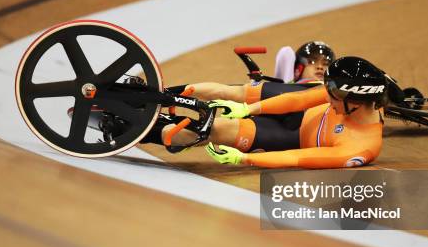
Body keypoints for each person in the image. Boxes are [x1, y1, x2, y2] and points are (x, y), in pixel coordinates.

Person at [160, 56, 389, 169]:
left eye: (332, 93)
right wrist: (247, 108)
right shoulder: (342, 96)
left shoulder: (362, 147)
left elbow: (295, 158)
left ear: (357, 101)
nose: (327, 96)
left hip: (289, 135)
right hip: (296, 107)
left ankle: (148, 129)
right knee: (233, 92)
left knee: (214, 130)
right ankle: (161, 93)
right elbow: (301, 99)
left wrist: (245, 158)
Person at [167, 41, 335, 105]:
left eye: (325, 64)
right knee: (223, 92)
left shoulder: (332, 93)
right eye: (313, 62)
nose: (320, 68)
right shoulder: (288, 85)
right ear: (298, 68)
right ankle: (166, 93)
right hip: (281, 96)